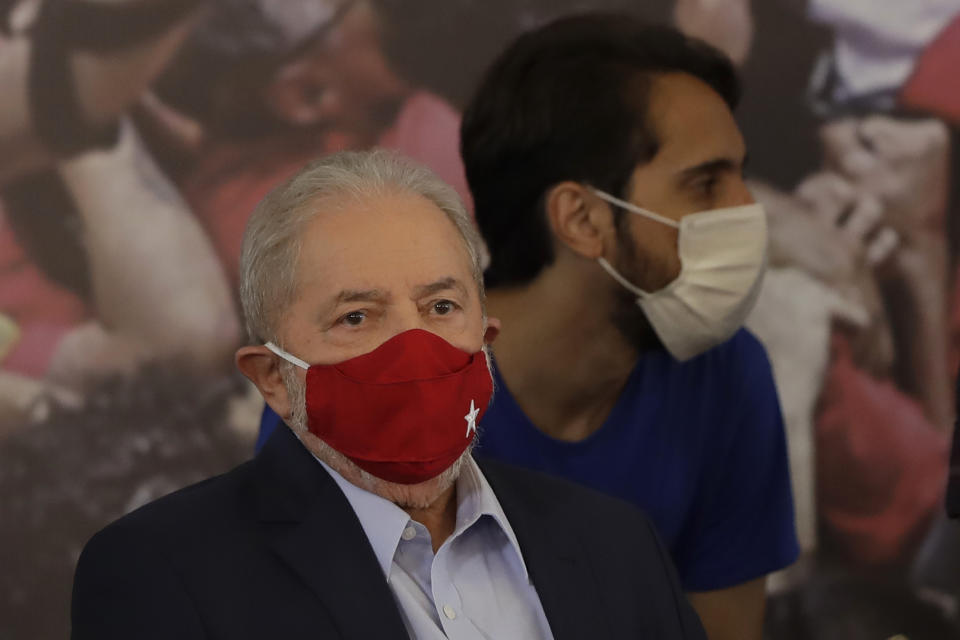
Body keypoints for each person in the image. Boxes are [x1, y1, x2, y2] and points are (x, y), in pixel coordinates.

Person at [70, 150, 707, 639]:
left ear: (485, 339)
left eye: (442, 305)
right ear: (273, 378)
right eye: (357, 317)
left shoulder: (617, 545)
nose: (414, 346)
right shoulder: (161, 572)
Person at [457, 15, 797, 640]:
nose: (749, 210)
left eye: (740, 177)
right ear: (582, 219)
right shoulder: (374, 390)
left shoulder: (727, 375)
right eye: (706, 184)